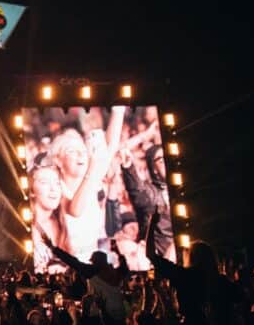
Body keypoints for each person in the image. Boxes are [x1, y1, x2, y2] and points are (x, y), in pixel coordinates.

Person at [49, 107, 125, 263]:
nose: (81, 154)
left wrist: (119, 111)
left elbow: (110, 149)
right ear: (58, 160)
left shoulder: (90, 179)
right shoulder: (56, 186)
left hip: (92, 261)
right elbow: (75, 210)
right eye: (71, 151)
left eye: (82, 150)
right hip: (66, 264)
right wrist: (93, 168)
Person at [121, 144, 175, 261]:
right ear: (154, 169)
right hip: (163, 259)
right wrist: (128, 167)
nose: (167, 162)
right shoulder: (151, 194)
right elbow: (137, 190)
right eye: (161, 160)